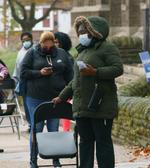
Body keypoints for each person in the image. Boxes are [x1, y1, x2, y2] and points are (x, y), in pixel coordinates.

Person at [53, 16, 124, 168]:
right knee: (85, 142)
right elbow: (75, 80)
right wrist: (62, 96)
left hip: (100, 104)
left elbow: (118, 69)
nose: (81, 35)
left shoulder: (107, 48)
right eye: (79, 32)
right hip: (82, 107)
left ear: (94, 31)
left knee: (102, 142)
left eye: (85, 31)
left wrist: (96, 72)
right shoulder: (82, 51)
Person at [20, 31, 73, 168]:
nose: (48, 49)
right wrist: (39, 73)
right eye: (46, 47)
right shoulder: (32, 53)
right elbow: (23, 72)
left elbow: (69, 74)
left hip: (55, 98)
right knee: (36, 129)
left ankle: (55, 159)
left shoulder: (61, 53)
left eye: (51, 46)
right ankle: (33, 160)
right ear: (41, 43)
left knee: (53, 129)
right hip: (35, 97)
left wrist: (69, 92)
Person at [12, 32, 33, 132]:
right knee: (26, 104)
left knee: (33, 103)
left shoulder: (36, 50)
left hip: (35, 81)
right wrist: (16, 81)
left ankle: (35, 123)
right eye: (23, 40)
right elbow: (17, 68)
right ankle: (30, 124)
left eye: (28, 40)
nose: (26, 42)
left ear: (31, 39)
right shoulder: (20, 53)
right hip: (24, 82)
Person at [54, 32, 74, 132]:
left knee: (64, 114)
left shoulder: (67, 58)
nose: (54, 44)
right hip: (56, 90)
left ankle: (66, 132)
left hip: (65, 90)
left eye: (56, 42)